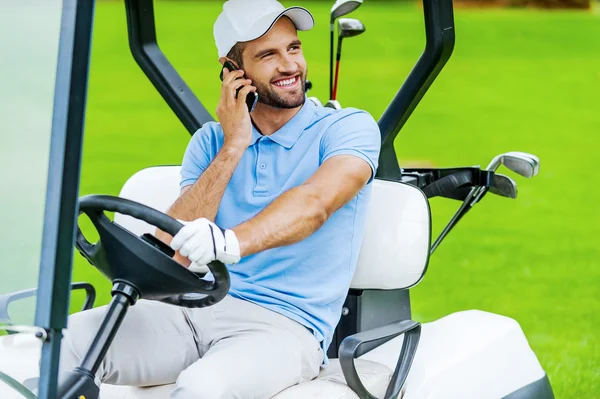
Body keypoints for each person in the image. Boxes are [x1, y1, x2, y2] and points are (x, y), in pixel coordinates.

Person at [60, 0, 381, 397]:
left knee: (202, 386)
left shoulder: (348, 127)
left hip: (284, 326)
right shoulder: (211, 142)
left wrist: (230, 242)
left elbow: (316, 202)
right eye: (268, 55)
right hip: (192, 309)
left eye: (293, 48)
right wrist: (233, 145)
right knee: (58, 344)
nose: (290, 66)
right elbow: (171, 253)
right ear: (233, 72)